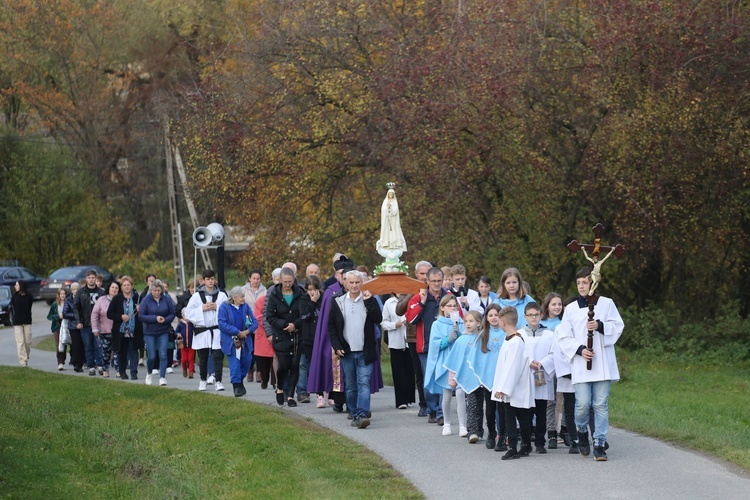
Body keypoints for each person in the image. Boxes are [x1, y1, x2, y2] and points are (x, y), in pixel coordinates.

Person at [557, 266, 624, 461]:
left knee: (600, 404)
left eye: (585, 282)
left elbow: (618, 326)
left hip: (602, 363)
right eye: (578, 283)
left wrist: (600, 326)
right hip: (582, 363)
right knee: (583, 404)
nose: (581, 286)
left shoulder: (606, 304)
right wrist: (579, 350)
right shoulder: (570, 309)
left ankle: (600, 442)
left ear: (593, 283)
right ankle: (581, 432)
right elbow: (563, 336)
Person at [328, 270, 383, 429]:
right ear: (345, 283)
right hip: (347, 351)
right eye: (351, 282)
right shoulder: (337, 301)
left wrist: (369, 302)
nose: (354, 285)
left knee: (364, 383)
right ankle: (353, 412)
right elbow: (331, 326)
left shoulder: (369, 299)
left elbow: (378, 319)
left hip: (365, 350)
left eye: (357, 282)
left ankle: (362, 414)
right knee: (351, 386)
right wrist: (336, 346)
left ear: (362, 283)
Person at [308, 256, 354, 411]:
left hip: (354, 337)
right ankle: (338, 400)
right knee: (337, 370)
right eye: (341, 273)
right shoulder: (330, 292)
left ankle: (353, 402)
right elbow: (326, 320)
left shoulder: (357, 290)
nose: (344, 277)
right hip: (334, 339)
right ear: (337, 275)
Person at [404, 266, 450, 423]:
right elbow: (410, 319)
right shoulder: (418, 297)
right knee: (428, 379)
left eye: (439, 281)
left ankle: (441, 412)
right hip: (425, 347)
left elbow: (459, 318)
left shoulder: (448, 297)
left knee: (443, 378)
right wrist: (422, 303)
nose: (437, 284)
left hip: (445, 346)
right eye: (434, 281)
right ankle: (431, 408)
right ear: (427, 281)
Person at [491, 306, 536, 460]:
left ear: (503, 321)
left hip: (516, 387)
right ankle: (525, 445)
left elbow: (513, 367)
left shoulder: (516, 341)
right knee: (518, 415)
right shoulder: (509, 339)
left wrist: (504, 388)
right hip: (511, 387)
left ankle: (515, 446)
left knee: (516, 416)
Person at [465, 303, 505, 449]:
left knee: (502, 409)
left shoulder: (507, 333)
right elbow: (476, 358)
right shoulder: (483, 335)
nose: (494, 318)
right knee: (490, 409)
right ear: (486, 318)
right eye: (491, 315)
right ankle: (491, 433)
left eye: (497, 315)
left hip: (503, 378)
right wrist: (481, 374)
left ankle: (502, 434)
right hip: (488, 378)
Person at [395, 260, 432, 417]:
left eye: (427, 273)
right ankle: (423, 403)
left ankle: (435, 404)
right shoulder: (407, 288)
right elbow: (399, 310)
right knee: (419, 372)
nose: (424, 277)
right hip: (413, 336)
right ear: (416, 274)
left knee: (432, 371)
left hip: (431, 336)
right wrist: (412, 292)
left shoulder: (434, 289)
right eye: (421, 274)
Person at [183, 269, 229, 392]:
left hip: (216, 330)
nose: (210, 281)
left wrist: (217, 307)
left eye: (212, 279)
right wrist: (201, 308)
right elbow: (188, 313)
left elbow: (229, 311)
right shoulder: (196, 296)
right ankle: (203, 380)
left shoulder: (222, 295)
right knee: (203, 357)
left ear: (215, 280)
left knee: (218, 356)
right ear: (203, 281)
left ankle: (218, 381)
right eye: (207, 279)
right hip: (202, 331)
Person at [424, 295, 463, 436]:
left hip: (458, 362)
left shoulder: (461, 323)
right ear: (442, 308)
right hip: (445, 362)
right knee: (446, 394)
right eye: (449, 306)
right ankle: (446, 423)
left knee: (460, 393)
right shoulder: (437, 324)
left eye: (455, 306)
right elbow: (435, 345)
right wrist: (448, 339)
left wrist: (459, 335)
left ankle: (463, 425)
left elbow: (466, 340)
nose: (453, 308)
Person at [519, 302, 556, 454]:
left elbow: (554, 354)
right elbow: (518, 354)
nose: (533, 318)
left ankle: (540, 442)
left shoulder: (549, 335)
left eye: (536, 314)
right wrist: (529, 362)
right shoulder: (520, 334)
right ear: (525, 316)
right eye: (530, 315)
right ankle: (526, 442)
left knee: (541, 412)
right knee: (526, 412)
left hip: (542, 376)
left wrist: (541, 363)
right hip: (526, 377)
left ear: (541, 315)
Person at [266, 266, 305, 407]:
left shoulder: (300, 293)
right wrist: (284, 324)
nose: (287, 284)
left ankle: (290, 395)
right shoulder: (274, 295)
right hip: (281, 335)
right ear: (280, 280)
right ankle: (280, 388)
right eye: (285, 281)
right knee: (283, 365)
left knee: (294, 365)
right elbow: (270, 316)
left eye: (290, 281)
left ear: (294, 280)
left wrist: (295, 324)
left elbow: (305, 314)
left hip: (296, 336)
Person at [443, 310, 482, 439]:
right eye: (466, 321)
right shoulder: (461, 340)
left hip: (480, 378)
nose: (468, 324)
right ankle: (472, 431)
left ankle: (479, 429)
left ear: (479, 323)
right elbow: (455, 360)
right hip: (466, 377)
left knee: (480, 405)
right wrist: (452, 379)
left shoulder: (482, 339)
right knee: (471, 404)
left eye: (471, 321)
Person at [218, 286, 257, 397]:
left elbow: (254, 322)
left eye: (243, 296)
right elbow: (222, 324)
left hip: (245, 340)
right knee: (235, 363)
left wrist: (247, 331)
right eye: (241, 296)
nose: (243, 298)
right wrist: (236, 332)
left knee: (247, 361)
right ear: (234, 297)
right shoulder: (224, 307)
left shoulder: (245, 307)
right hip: (231, 341)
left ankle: (239, 381)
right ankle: (236, 386)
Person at [381, 293, 415, 409]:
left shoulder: (412, 298)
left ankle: (410, 397)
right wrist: (395, 324)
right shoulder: (389, 303)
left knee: (410, 370)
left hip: (410, 340)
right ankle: (401, 400)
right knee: (398, 370)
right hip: (395, 341)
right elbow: (384, 323)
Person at [139, 279, 176, 386]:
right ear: (151, 290)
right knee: (151, 356)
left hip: (163, 331)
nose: (156, 292)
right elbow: (141, 316)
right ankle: (149, 373)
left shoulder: (167, 299)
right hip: (150, 332)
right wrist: (155, 318)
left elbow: (172, 313)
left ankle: (162, 377)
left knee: (163, 354)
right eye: (154, 290)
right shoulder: (146, 300)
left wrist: (166, 319)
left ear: (162, 290)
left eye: (159, 290)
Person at [540, 291, 564, 446]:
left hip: (561, 366)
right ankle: (550, 432)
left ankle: (561, 429)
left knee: (560, 400)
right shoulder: (542, 324)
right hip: (546, 366)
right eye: (554, 304)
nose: (557, 307)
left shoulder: (564, 323)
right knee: (548, 400)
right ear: (547, 306)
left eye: (559, 304)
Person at [107, 276, 142, 380]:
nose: (127, 287)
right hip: (121, 331)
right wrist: (120, 317)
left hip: (134, 330)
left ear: (132, 286)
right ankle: (122, 372)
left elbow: (144, 312)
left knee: (134, 352)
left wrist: (140, 309)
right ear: (121, 287)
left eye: (129, 285)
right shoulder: (117, 299)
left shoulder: (136, 297)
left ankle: (134, 372)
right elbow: (109, 314)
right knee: (122, 352)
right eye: (124, 285)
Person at [296, 274, 322, 403]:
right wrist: (312, 302)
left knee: (320, 365)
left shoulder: (324, 299)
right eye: (309, 289)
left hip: (321, 337)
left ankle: (321, 392)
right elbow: (304, 316)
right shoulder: (304, 300)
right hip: (308, 338)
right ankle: (302, 391)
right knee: (305, 364)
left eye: (314, 289)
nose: (312, 292)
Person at [74, 269, 105, 376]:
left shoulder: (101, 292)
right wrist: (78, 321)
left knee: (98, 345)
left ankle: (101, 365)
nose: (91, 280)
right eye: (89, 278)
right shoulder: (80, 292)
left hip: (99, 323)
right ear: (86, 279)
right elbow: (76, 308)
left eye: (93, 278)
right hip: (85, 323)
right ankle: (91, 366)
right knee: (88, 345)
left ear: (96, 279)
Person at [91, 281, 120, 378]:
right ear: (109, 288)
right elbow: (94, 314)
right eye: (113, 287)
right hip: (104, 331)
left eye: (116, 288)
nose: (114, 289)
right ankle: (105, 369)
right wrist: (94, 328)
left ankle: (118, 370)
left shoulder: (120, 300)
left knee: (117, 352)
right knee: (106, 353)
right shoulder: (101, 300)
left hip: (118, 331)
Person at [252, 289, 277, 390]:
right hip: (262, 335)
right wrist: (271, 323)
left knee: (275, 360)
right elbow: (258, 316)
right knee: (263, 362)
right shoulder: (260, 301)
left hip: (276, 333)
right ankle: (264, 380)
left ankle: (275, 382)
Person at [376, 188, 407, 255]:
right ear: (388, 194)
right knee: (386, 232)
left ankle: (395, 244)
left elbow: (395, 211)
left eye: (392, 194)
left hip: (393, 221)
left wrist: (391, 208)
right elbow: (383, 210)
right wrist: (387, 208)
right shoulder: (385, 201)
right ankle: (387, 243)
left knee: (394, 231)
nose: (391, 195)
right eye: (390, 194)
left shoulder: (395, 201)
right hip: (387, 221)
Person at [11, 280, 34, 366]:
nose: (15, 286)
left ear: (21, 286)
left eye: (16, 285)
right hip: (17, 321)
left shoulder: (29, 297)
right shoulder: (14, 297)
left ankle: (26, 356)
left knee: (28, 341)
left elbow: (29, 306)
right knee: (20, 342)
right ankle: (22, 360)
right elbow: (14, 307)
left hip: (27, 321)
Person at [64, 282, 84, 372]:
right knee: (76, 345)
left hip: (83, 325)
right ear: (71, 291)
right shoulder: (68, 300)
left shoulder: (83, 298)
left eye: (77, 289)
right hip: (73, 325)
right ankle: (76, 364)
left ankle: (81, 362)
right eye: (74, 289)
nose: (75, 291)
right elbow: (65, 313)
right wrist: (76, 316)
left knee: (83, 344)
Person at [47, 288, 69, 370]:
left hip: (66, 327)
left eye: (64, 294)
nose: (63, 295)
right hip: (57, 327)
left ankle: (62, 360)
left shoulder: (68, 303)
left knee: (64, 343)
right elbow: (49, 316)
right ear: (59, 295)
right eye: (61, 294)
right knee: (58, 344)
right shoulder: (54, 304)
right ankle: (59, 362)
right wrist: (57, 316)